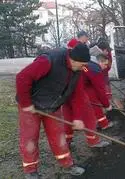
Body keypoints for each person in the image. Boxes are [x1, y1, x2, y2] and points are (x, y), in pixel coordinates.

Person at [16, 44, 90, 178]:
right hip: (31, 104)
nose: (83, 68)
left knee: (59, 136)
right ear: (73, 60)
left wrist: (78, 117)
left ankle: (67, 164)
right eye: (82, 64)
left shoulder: (78, 70)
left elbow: (78, 95)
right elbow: (22, 77)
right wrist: (26, 103)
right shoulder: (49, 60)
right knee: (30, 138)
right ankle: (31, 171)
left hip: (52, 105)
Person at [83, 54, 116, 129]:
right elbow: (100, 91)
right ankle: (104, 124)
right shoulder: (95, 70)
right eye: (105, 64)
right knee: (94, 100)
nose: (106, 67)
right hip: (77, 86)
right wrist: (107, 105)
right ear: (100, 62)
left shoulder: (89, 63)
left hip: (80, 83)